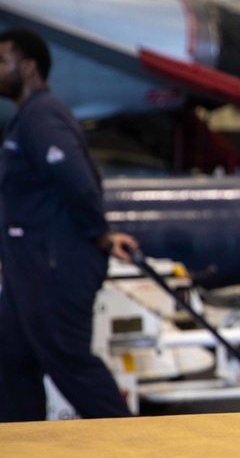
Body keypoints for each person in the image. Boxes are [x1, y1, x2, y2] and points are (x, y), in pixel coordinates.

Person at [0, 28, 138, 421]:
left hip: (53, 270)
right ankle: (21, 455)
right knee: (12, 360)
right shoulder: (26, 118)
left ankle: (131, 447)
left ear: (28, 67)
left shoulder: (42, 116)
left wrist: (102, 235)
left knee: (70, 364)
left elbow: (77, 182)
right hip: (25, 273)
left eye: (1, 61)